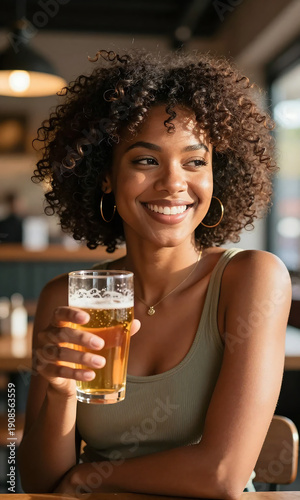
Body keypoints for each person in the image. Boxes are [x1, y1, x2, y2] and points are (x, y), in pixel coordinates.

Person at [18, 49, 291, 498]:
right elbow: (39, 482)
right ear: (106, 175)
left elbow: (220, 474)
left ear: (215, 175)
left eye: (194, 161)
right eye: (145, 160)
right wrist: (60, 391)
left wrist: (90, 476)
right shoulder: (66, 297)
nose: (173, 183)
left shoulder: (251, 278)